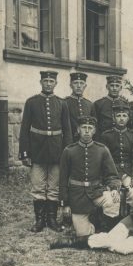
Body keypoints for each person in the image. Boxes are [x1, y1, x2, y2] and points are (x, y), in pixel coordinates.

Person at [19, 70, 72, 233]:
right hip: (37, 150)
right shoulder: (31, 102)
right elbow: (24, 129)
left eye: (51, 81)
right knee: (38, 186)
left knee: (54, 187)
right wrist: (25, 153)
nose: (48, 84)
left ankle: (51, 219)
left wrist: (67, 152)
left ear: (56, 84)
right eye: (45, 81)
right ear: (41, 82)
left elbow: (67, 130)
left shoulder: (62, 103)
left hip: (56, 151)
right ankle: (39, 220)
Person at [58, 116, 121, 237]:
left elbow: (112, 175)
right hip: (77, 197)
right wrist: (64, 203)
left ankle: (106, 228)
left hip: (96, 192)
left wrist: (114, 189)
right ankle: (90, 222)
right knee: (83, 234)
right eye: (84, 128)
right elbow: (62, 180)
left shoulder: (102, 150)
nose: (87, 131)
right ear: (78, 130)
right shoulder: (69, 151)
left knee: (113, 200)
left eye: (90, 128)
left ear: (94, 131)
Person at [100, 100, 133, 205]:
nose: (121, 118)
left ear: (128, 118)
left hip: (128, 172)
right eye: (118, 116)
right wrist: (108, 176)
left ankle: (132, 217)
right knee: (111, 196)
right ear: (113, 118)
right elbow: (104, 159)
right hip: (112, 173)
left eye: (124, 116)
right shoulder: (106, 136)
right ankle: (112, 220)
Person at [91, 75, 128, 140]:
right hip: (102, 139)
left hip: (120, 139)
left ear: (121, 88)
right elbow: (94, 125)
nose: (114, 88)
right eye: (112, 85)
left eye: (117, 86)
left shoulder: (125, 104)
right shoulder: (98, 104)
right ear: (107, 87)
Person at [64, 72, 93, 142]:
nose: (79, 86)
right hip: (70, 141)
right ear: (71, 85)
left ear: (85, 86)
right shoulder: (64, 102)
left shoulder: (89, 104)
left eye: (82, 83)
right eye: (75, 83)